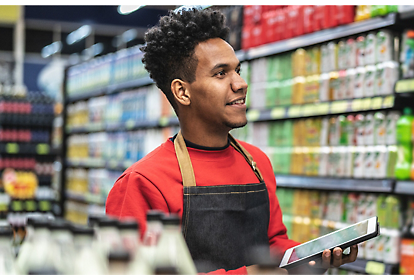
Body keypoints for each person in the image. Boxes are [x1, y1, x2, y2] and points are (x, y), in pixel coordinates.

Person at [105, 6, 358, 276]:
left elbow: (272, 243)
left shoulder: (257, 162)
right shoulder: (143, 182)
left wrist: (308, 256)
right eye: (221, 73)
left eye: (237, 70)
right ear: (182, 91)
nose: (240, 83)